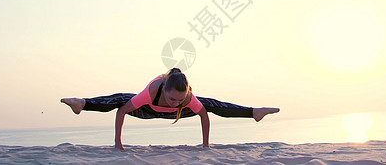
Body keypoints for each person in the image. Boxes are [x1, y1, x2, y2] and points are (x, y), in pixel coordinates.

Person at [61, 67, 280, 150]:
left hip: (177, 116)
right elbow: (122, 111)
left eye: (181, 98)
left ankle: (254, 112)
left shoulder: (186, 98)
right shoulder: (151, 91)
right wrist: (118, 143)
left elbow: (204, 115)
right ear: (165, 90)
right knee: (120, 98)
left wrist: (205, 145)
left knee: (210, 104)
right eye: (173, 98)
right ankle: (83, 103)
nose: (176, 101)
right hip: (147, 109)